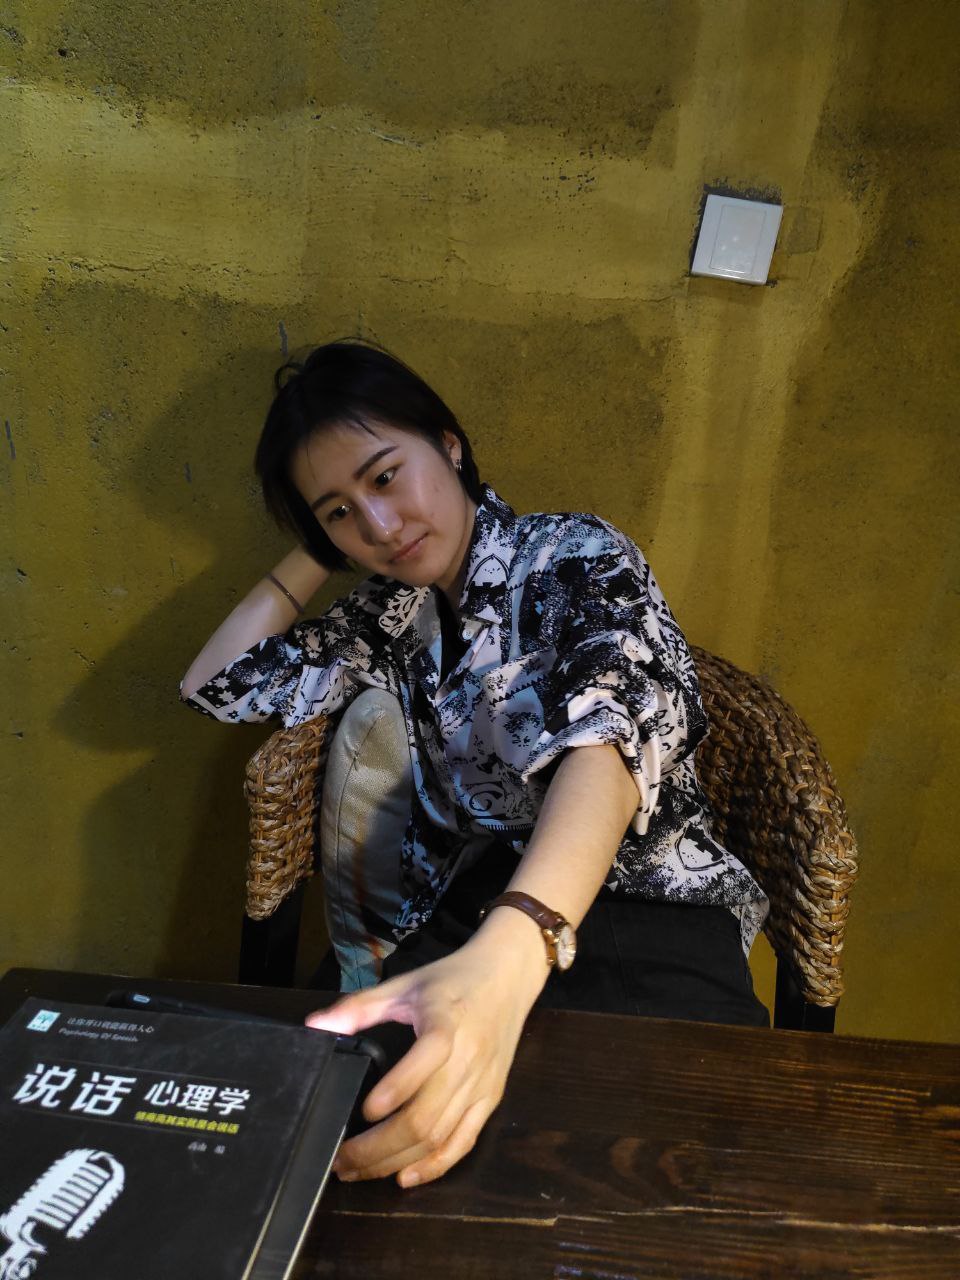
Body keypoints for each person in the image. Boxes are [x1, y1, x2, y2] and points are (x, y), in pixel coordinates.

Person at [181, 338, 769, 1190]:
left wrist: (518, 942)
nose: (380, 526)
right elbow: (216, 684)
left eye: (386, 477)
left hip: (643, 901)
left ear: (448, 445)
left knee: (676, 1165)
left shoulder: (570, 553)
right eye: (340, 512)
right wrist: (318, 546)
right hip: (471, 906)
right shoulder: (388, 614)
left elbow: (612, 733)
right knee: (357, 1138)